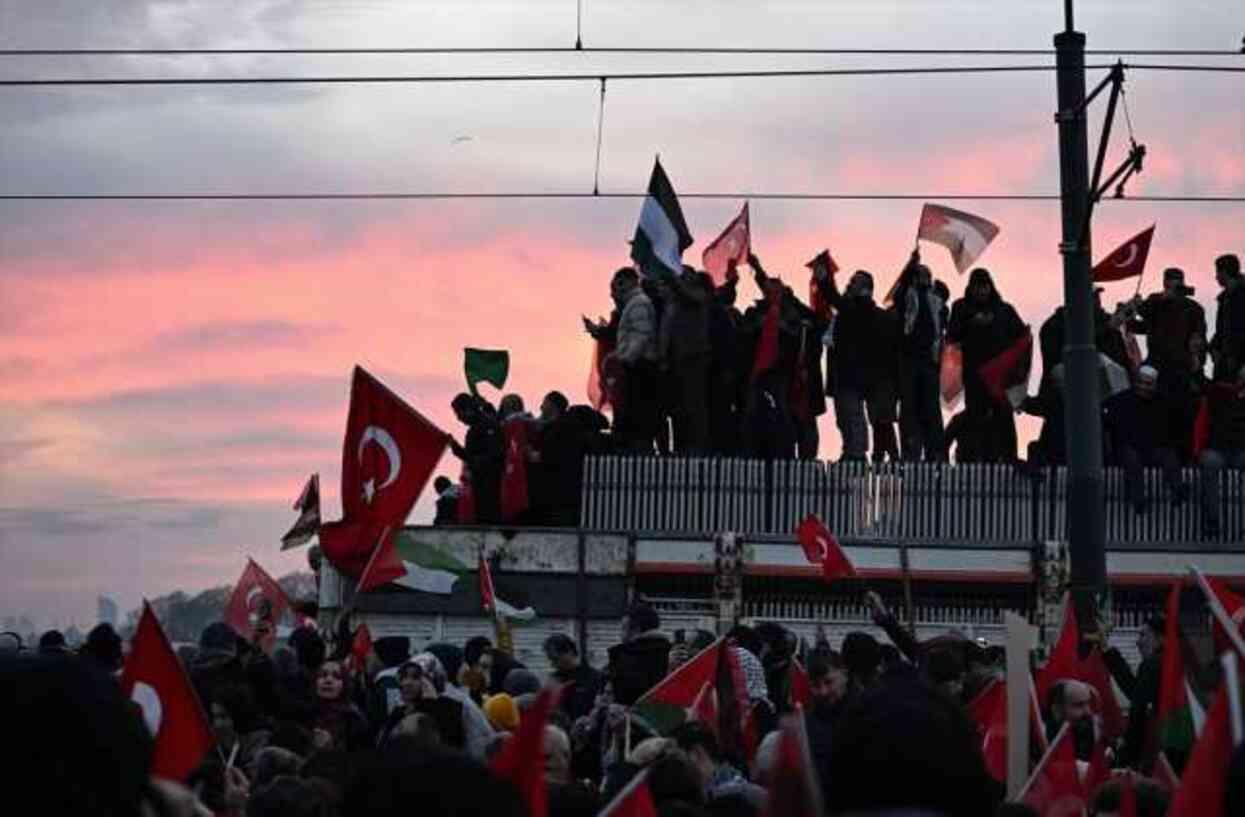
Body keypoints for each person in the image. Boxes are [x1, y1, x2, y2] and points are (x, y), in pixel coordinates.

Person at [813, 265, 892, 461]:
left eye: (854, 281)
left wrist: (824, 280)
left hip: (857, 377)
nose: (849, 284)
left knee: (854, 417)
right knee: (846, 418)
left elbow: (834, 298)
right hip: (851, 375)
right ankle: (853, 452)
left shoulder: (859, 309)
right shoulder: (853, 310)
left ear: (865, 288)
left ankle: (856, 455)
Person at [947, 267, 1027, 462]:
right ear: (971, 288)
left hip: (1000, 375)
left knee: (1004, 415)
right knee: (976, 415)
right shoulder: (961, 308)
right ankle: (975, 457)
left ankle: (1009, 457)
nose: (981, 291)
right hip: (974, 374)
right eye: (977, 287)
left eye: (984, 286)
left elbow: (1021, 335)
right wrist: (972, 323)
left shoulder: (1004, 310)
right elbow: (952, 335)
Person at [1127, 267, 1207, 457]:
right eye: (1171, 282)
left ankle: (1182, 452)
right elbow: (1143, 321)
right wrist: (1141, 305)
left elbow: (1199, 338)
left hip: (1181, 368)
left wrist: (1197, 360)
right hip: (1157, 365)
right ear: (1165, 283)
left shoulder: (1193, 308)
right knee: (1154, 409)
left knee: (1181, 411)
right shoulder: (1157, 302)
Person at [1104, 365, 1189, 512]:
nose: (1143, 387)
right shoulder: (1122, 400)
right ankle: (1138, 500)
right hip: (1130, 448)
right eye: (1141, 382)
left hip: (1153, 448)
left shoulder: (1163, 403)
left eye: (1148, 384)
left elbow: (1173, 431)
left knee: (1169, 455)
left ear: (1155, 385)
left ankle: (1177, 490)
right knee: (1131, 457)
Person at [894, 251, 947, 461]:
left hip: (930, 363)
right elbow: (900, 293)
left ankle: (935, 453)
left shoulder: (938, 303)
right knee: (909, 410)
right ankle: (911, 452)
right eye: (919, 275)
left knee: (931, 410)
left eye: (926, 275)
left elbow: (943, 323)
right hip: (909, 361)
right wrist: (910, 266)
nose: (923, 278)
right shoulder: (907, 297)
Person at [659, 267, 714, 454]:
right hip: (678, 360)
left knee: (695, 406)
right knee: (679, 407)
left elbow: (686, 292)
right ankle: (682, 447)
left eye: (686, 274)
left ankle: (698, 447)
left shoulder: (699, 295)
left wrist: (671, 275)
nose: (683, 276)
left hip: (695, 358)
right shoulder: (676, 303)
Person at [606, 267, 660, 453]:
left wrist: (626, 359)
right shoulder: (633, 303)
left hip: (639, 365)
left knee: (636, 412)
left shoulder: (638, 304)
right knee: (633, 412)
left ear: (630, 281)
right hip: (637, 363)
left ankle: (638, 449)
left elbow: (641, 334)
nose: (618, 288)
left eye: (620, 283)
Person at [670, 721, 766, 810]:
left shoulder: (719, 800)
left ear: (696, 754)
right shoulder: (752, 793)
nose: (675, 770)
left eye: (678, 760)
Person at [1198, 363, 1245, 537]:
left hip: (1240, 451)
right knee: (1210, 464)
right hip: (1217, 448)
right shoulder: (1220, 394)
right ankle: (1212, 521)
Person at [449, 393, 504, 524]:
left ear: (468, 410)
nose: (458, 419)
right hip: (479, 482)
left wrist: (474, 462)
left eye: (459, 413)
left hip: (491, 483)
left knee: (490, 519)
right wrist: (456, 448)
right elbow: (470, 457)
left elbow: (495, 455)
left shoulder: (488, 425)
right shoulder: (474, 429)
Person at [1119, 615, 1165, 769]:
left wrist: (1127, 755)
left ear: (1160, 638)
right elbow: (1136, 692)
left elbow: (1138, 709)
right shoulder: (1178, 662)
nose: (1138, 641)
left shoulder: (1152, 665)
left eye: (1143, 635)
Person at [606, 602, 672, 706]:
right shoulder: (669, 654)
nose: (620, 634)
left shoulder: (624, 658)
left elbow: (620, 697)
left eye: (622, 628)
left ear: (636, 630)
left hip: (629, 719)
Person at [310, 659, 368, 752]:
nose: (328, 680)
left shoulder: (353, 719)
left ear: (345, 684)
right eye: (323, 675)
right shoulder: (306, 714)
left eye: (336, 676)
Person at [545, 633, 605, 722]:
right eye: (550, 659)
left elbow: (601, 708)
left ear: (569, 652)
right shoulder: (553, 680)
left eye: (555, 659)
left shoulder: (595, 677)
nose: (553, 664)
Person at [1209, 253, 1245, 381]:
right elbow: (1222, 331)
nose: (1216, 277)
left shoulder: (1241, 295)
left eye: (1217, 272)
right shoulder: (1224, 298)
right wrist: (1213, 348)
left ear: (1224, 272)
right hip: (1226, 363)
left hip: (1238, 364)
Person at [1045, 679, 1096, 760]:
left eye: (1088, 703)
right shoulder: (1042, 744)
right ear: (1057, 710)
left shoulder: (1086, 728)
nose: (1088, 711)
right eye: (1079, 705)